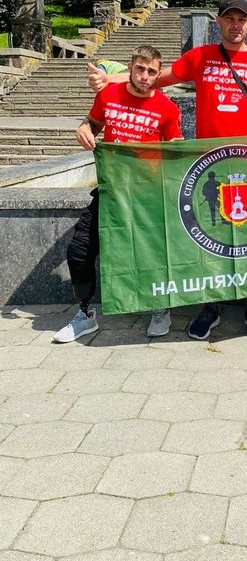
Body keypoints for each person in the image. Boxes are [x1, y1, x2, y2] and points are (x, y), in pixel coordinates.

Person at [88, 0, 247, 340]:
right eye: (229, 18)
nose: (235, 25)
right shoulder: (201, 56)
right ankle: (211, 305)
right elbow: (154, 78)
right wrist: (110, 77)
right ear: (218, 21)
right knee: (209, 236)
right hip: (209, 166)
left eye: (241, 19)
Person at [54, 45, 182, 343]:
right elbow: (93, 123)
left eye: (152, 71)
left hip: (147, 193)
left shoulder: (168, 108)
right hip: (111, 189)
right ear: (130, 67)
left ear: (158, 73)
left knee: (153, 252)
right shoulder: (108, 95)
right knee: (79, 250)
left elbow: (175, 147)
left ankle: (160, 306)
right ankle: (84, 314)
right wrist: (83, 128)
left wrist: (178, 148)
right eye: (140, 69)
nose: (145, 76)